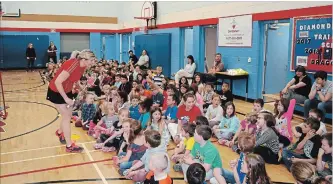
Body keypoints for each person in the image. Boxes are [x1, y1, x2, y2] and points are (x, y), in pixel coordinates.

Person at [47, 49, 96, 152]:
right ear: (84, 59)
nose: (93, 63)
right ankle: (69, 146)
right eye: (91, 60)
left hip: (67, 90)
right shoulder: (72, 65)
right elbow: (57, 82)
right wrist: (66, 98)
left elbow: (76, 78)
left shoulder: (83, 66)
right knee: (66, 117)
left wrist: (81, 87)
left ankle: (60, 132)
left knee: (67, 115)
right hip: (57, 91)